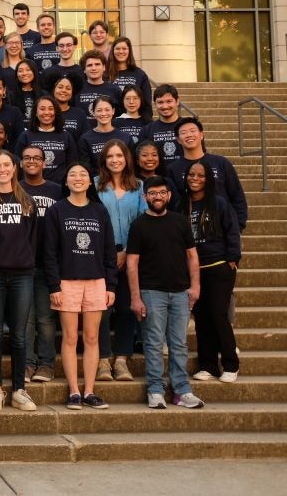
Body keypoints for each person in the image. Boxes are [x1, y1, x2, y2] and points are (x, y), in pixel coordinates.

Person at [42, 163, 117, 411]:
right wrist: (54, 285)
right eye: (72, 174)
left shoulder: (99, 210)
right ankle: (74, 391)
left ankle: (90, 391)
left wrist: (111, 285)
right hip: (66, 281)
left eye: (83, 174)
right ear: (66, 182)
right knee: (71, 337)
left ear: (90, 182)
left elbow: (108, 251)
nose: (77, 178)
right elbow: (49, 252)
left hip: (96, 281)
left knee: (93, 337)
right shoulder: (57, 210)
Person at [127, 176, 204, 409]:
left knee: (179, 344)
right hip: (151, 292)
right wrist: (135, 297)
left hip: (180, 292)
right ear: (145, 197)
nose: (157, 197)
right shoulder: (139, 225)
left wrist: (195, 286)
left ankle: (181, 391)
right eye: (152, 193)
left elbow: (192, 256)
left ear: (169, 195)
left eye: (162, 193)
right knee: (152, 343)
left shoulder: (180, 222)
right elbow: (132, 263)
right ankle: (155, 390)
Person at [0, 151, 39, 413]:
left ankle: (19, 390)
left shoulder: (27, 201)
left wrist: (26, 262)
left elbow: (33, 238)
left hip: (22, 274)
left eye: (6, 165)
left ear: (15, 168)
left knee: (20, 335)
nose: (2, 169)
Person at [182, 162, 242, 383]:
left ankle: (230, 363)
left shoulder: (219, 203)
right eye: (191, 174)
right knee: (202, 318)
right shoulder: (182, 204)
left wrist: (233, 258)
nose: (195, 178)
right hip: (194, 270)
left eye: (201, 175)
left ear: (208, 179)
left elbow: (232, 230)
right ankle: (207, 365)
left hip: (218, 267)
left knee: (218, 315)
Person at [94, 139, 147, 383]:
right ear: (104, 160)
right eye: (110, 156)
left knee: (126, 307)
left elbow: (143, 222)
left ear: (127, 159)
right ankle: (104, 359)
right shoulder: (94, 185)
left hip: (133, 255)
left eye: (119, 155)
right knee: (102, 310)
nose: (115, 160)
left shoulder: (139, 187)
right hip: (99, 257)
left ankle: (122, 359)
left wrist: (126, 251)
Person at [19, 145, 63, 383]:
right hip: (23, 263)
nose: (32, 161)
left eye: (37, 158)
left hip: (49, 264)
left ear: (44, 163)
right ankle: (27, 364)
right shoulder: (15, 189)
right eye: (27, 158)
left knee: (45, 319)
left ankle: (46, 364)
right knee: (25, 318)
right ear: (21, 163)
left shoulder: (56, 190)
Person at [167, 117, 248, 231]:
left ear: (201, 135)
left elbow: (237, 196)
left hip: (221, 228)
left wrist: (238, 226)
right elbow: (173, 204)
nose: (189, 135)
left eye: (193, 131)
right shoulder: (172, 169)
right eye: (183, 133)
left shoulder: (221, 163)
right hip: (188, 231)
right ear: (178, 140)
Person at [14, 95, 78, 185]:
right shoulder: (25, 136)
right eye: (42, 109)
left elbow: (73, 165)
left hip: (61, 188)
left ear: (55, 112)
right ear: (36, 113)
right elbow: (18, 165)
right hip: (30, 188)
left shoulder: (66, 136)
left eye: (50, 109)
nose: (47, 112)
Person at [78, 96, 132, 175]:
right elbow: (86, 168)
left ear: (113, 111)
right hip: (97, 184)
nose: (103, 114)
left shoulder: (125, 137)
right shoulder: (85, 139)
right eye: (99, 110)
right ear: (93, 113)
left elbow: (130, 164)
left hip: (123, 183)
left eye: (107, 110)